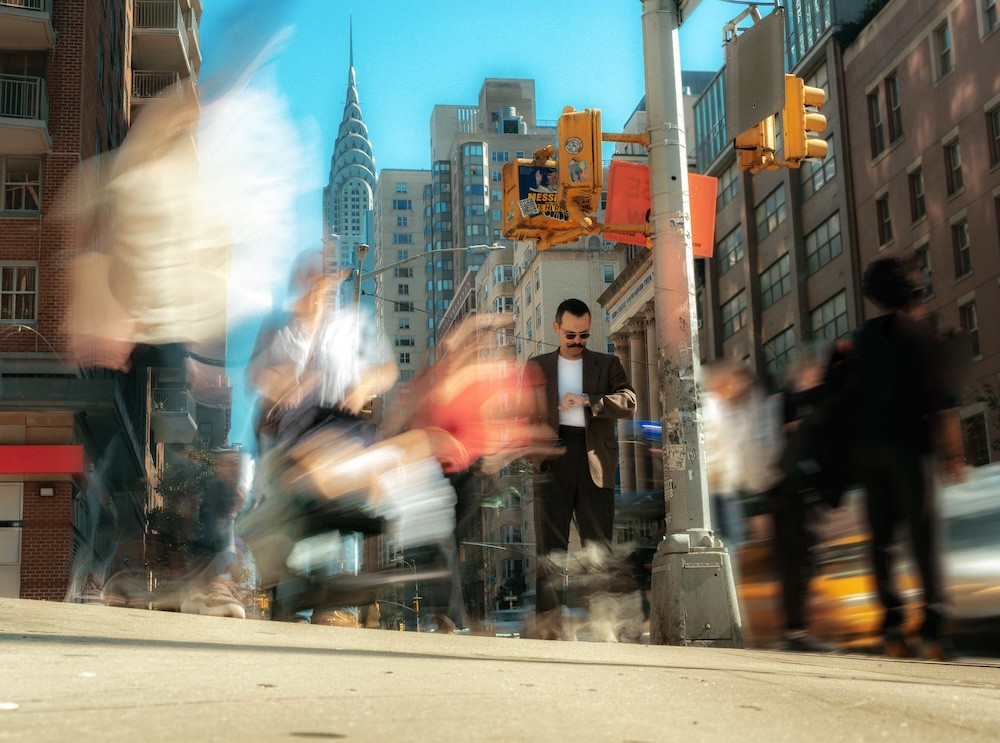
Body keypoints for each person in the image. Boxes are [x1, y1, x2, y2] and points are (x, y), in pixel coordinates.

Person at [851, 256, 966, 661]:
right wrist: (953, 456)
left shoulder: (860, 340)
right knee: (922, 538)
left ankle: (892, 625)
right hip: (911, 449)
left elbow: (848, 396)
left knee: (880, 541)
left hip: (870, 452)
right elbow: (943, 403)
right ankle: (934, 628)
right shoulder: (923, 337)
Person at [526, 298, 637, 639]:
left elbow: (629, 400)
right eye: (571, 335)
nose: (577, 342)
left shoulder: (606, 364)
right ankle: (549, 626)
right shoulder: (537, 365)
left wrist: (590, 400)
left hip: (595, 461)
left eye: (584, 335)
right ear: (556, 328)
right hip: (553, 458)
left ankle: (604, 622)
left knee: (598, 545)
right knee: (550, 547)